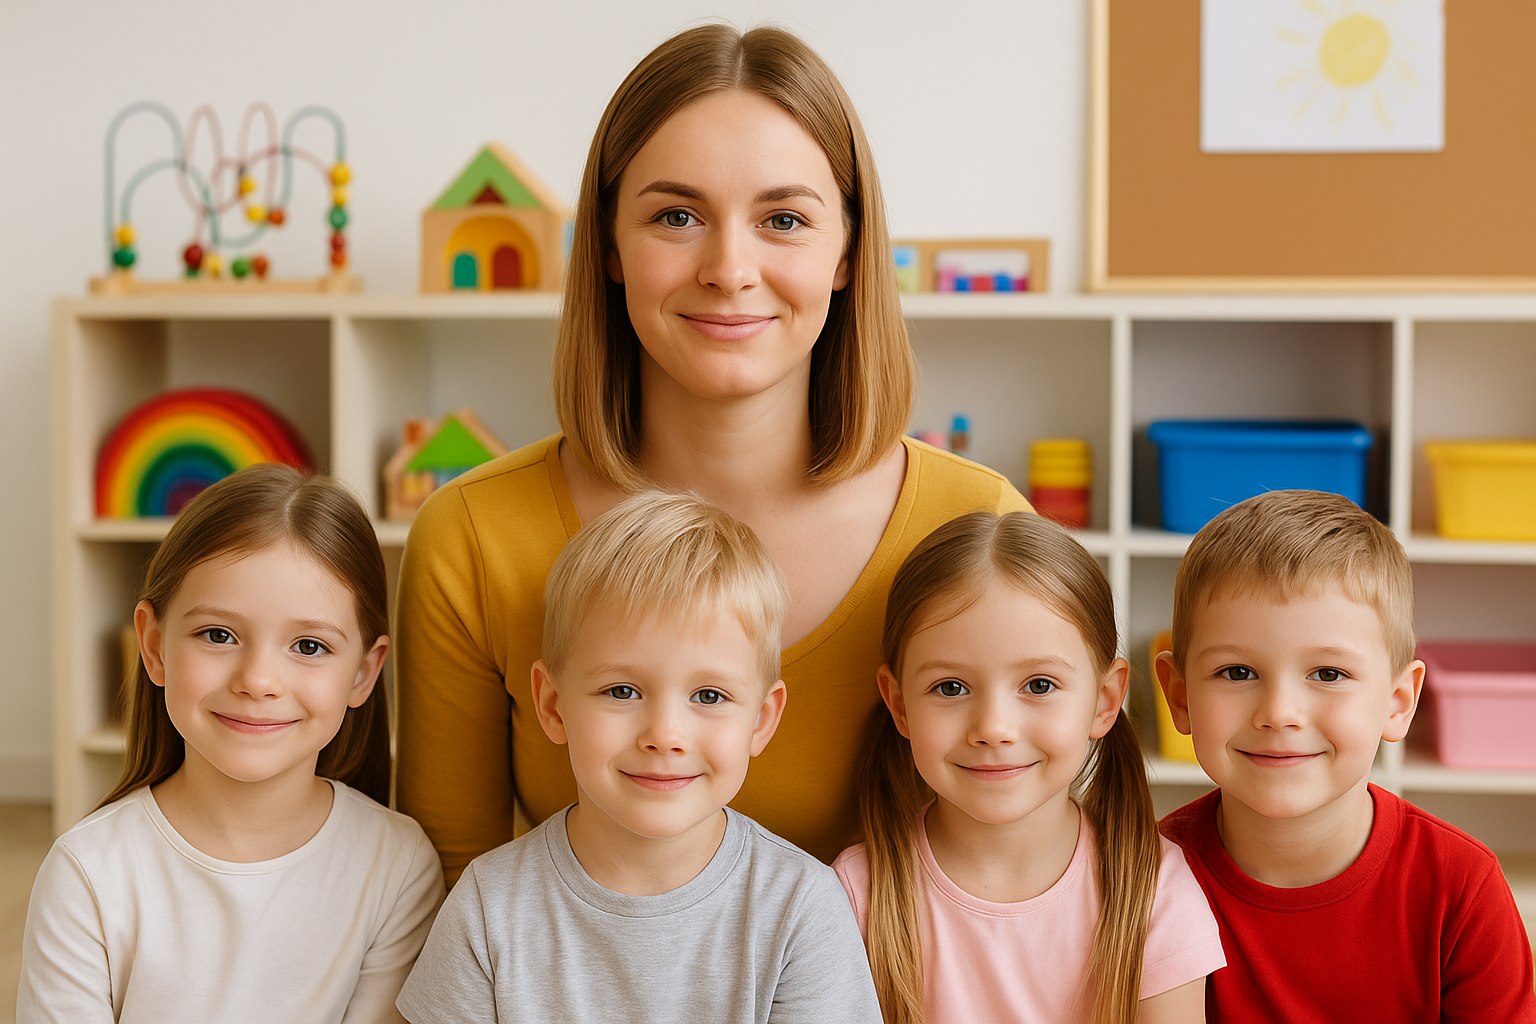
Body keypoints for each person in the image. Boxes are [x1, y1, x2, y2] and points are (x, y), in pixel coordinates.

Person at [395, 22, 1030, 884]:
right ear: (610, 248)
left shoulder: (978, 528)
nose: (730, 268)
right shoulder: (471, 538)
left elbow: (1040, 892)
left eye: (783, 219)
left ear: (847, 251)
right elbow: (445, 894)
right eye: (677, 215)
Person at [397, 492, 882, 1023]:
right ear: (553, 705)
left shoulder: (801, 908)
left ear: (762, 720)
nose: (665, 736)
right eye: (622, 691)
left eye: (709, 696)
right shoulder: (489, 905)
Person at [18, 465, 445, 1024]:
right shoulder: (87, 873)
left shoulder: (397, 866)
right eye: (218, 635)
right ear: (154, 646)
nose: (258, 680)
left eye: (309, 645)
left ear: (364, 673)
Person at [1156, 490, 1536, 1022]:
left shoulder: (1461, 889)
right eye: (1237, 672)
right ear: (1179, 696)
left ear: (1398, 703)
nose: (1280, 713)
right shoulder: (1146, 879)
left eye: (1329, 674)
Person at [836, 511, 1223, 1024]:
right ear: (900, 704)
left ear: (1105, 701)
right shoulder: (856, 893)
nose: (993, 727)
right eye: (950, 687)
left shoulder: (1155, 890)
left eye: (1039, 685)